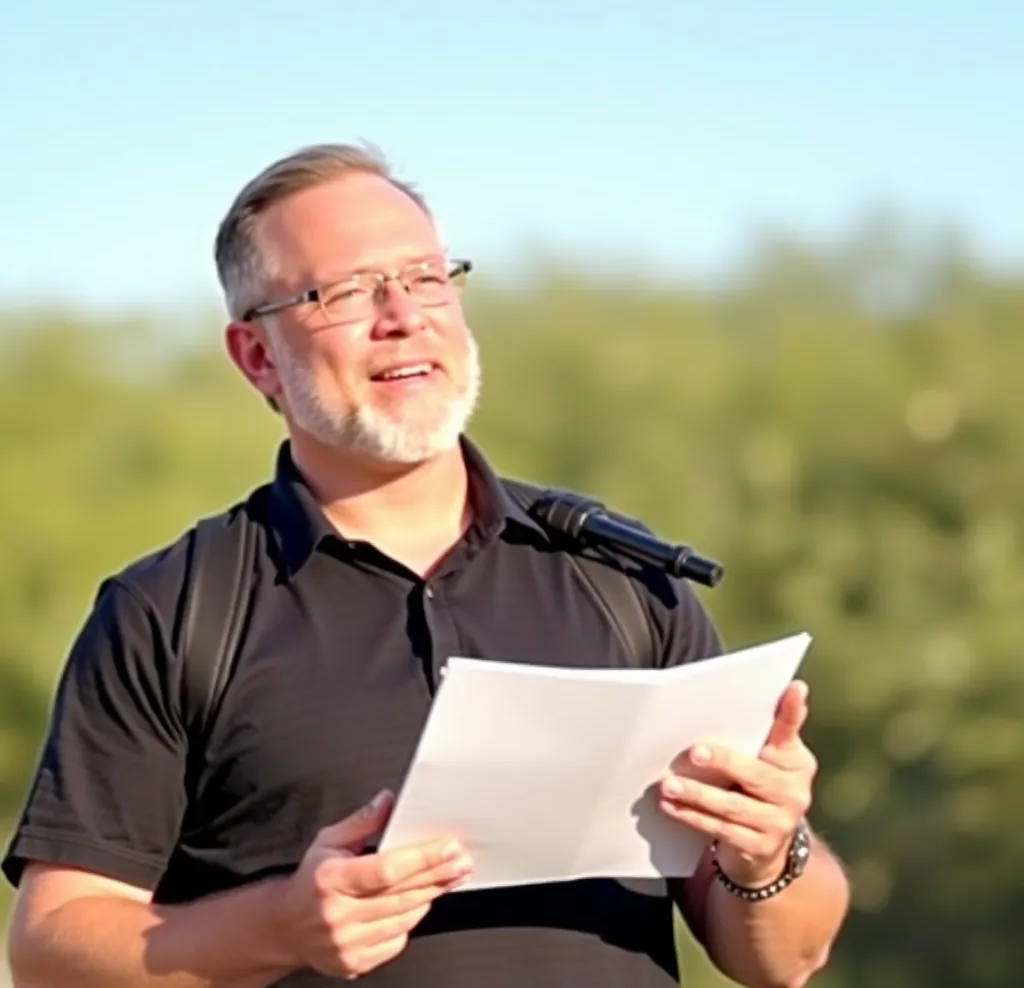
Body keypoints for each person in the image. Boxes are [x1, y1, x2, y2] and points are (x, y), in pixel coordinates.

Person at [2, 143, 850, 988]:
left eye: (426, 277)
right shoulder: (173, 611)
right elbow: (49, 948)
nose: (403, 314)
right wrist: (283, 925)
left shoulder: (623, 584)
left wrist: (772, 846)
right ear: (256, 356)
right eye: (342, 292)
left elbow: (785, 957)